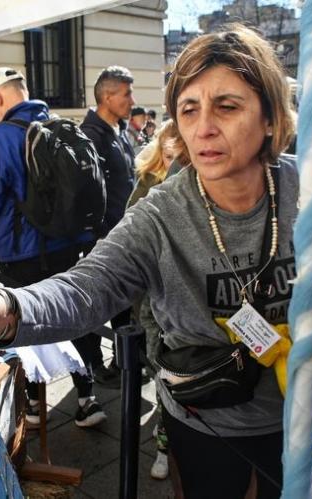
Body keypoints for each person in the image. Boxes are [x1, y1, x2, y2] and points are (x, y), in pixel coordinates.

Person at [0, 26, 312, 499]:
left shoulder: (311, 190)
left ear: (269, 117)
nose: (204, 126)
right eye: (189, 109)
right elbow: (88, 287)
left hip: (306, 412)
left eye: (227, 106)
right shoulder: (161, 213)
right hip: (205, 421)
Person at [0, 67, 106, 427]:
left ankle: (31, 403)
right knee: (74, 313)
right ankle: (88, 397)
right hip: (68, 243)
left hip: (23, 252)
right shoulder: (58, 125)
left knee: (25, 321)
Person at [126, 120, 179, 480]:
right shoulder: (147, 182)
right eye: (169, 149)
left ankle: (169, 442)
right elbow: (127, 229)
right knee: (161, 373)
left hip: (187, 300)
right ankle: (164, 443)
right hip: (152, 299)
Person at [80, 65, 138, 387]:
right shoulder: (91, 136)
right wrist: (100, 232)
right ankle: (93, 366)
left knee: (123, 302)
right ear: (106, 97)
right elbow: (88, 192)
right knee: (96, 301)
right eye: (126, 93)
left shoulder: (120, 131)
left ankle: (122, 360)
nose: (132, 100)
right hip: (103, 238)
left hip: (124, 232)